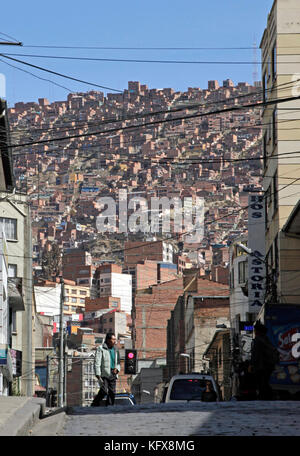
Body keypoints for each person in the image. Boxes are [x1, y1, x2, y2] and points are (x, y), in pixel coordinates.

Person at [249, 321, 279, 400]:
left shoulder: (257, 340)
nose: (254, 332)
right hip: (269, 365)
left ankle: (265, 397)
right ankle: (268, 396)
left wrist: (251, 364)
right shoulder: (266, 339)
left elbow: (255, 354)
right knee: (265, 381)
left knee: (261, 383)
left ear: (257, 331)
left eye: (255, 330)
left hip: (261, 366)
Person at [91, 332, 121, 407]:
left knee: (112, 392)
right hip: (104, 374)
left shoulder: (115, 349)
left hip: (113, 373)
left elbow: (118, 362)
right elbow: (97, 362)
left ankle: (110, 406)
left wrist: (117, 369)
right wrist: (98, 374)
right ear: (108, 340)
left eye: (115, 339)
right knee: (104, 391)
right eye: (113, 339)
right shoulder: (101, 349)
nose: (114, 341)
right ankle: (95, 404)